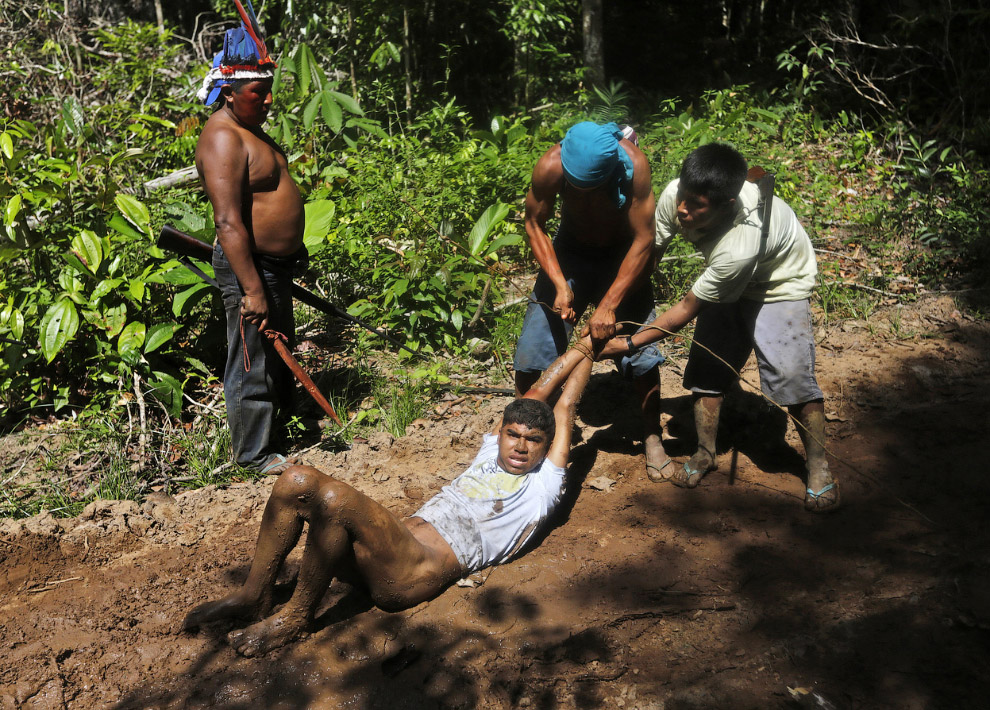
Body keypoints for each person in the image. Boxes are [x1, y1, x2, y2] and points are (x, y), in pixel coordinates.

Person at [181, 345, 594, 656]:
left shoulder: (543, 486)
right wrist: (579, 344)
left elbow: (565, 403)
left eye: (534, 441)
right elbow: (536, 392)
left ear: (547, 446)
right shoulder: (491, 449)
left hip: (414, 571)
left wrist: (590, 348)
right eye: (514, 435)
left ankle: (295, 619)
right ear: (502, 432)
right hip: (380, 551)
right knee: (295, 480)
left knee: (334, 498)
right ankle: (255, 596)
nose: (521, 447)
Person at [597, 143, 839, 512]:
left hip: (778, 283)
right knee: (706, 373)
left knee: (792, 380)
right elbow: (650, 251)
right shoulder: (676, 195)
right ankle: (706, 452)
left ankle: (818, 467)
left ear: (725, 206)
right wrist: (616, 303)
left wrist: (630, 344)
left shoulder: (738, 246)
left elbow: (686, 308)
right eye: (683, 197)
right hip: (727, 279)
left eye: (696, 205)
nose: (683, 209)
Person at [513, 121, 669, 480]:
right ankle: (528, 433)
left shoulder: (634, 166)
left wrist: (610, 303)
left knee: (642, 355)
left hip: (623, 253)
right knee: (533, 348)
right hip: (570, 251)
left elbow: (644, 239)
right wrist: (558, 284)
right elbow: (535, 223)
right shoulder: (551, 165)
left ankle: (651, 435)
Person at [195, 1, 304, 474]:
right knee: (251, 360)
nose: (267, 101)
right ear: (230, 92)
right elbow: (228, 222)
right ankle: (253, 455)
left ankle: (279, 431)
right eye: (258, 93)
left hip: (272, 266)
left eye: (268, 92)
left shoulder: (251, 129)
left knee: (278, 348)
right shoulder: (223, 138)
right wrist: (253, 289)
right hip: (249, 269)